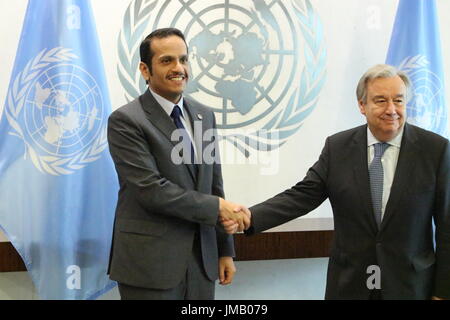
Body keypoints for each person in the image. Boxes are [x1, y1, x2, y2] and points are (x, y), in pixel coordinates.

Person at [224, 64, 450, 300]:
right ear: (362, 105)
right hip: (350, 286)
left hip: (412, 288)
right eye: (381, 100)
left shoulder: (435, 150)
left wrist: (443, 292)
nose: (391, 109)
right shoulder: (338, 148)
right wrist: (250, 217)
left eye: (399, 100)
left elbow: (447, 226)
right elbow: (300, 196)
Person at [107, 28, 249, 300]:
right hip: (149, 266)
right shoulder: (126, 121)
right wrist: (218, 207)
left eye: (183, 59)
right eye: (166, 60)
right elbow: (151, 190)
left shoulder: (204, 116)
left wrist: (224, 250)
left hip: (201, 263)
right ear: (144, 69)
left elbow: (213, 185)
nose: (178, 68)